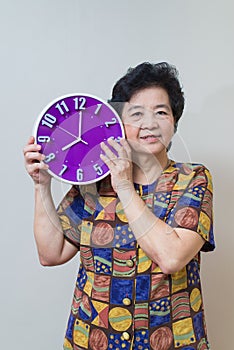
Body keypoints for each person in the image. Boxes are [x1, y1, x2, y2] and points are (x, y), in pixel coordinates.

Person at [24, 62, 215, 350]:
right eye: (136, 114)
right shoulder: (91, 183)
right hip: (91, 339)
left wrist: (124, 186)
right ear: (118, 124)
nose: (149, 124)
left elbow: (172, 257)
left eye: (161, 112)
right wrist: (42, 185)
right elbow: (51, 254)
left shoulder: (193, 180)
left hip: (172, 340)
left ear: (174, 122)